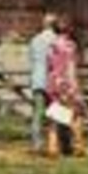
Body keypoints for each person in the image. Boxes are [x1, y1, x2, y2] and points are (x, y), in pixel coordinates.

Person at [45, 14, 85, 157]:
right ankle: (79, 146)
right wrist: (74, 86)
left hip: (53, 82)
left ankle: (52, 148)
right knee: (75, 115)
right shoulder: (70, 46)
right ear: (69, 30)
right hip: (67, 83)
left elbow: (49, 66)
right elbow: (71, 67)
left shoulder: (51, 46)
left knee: (54, 116)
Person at [26, 12, 58, 154]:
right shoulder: (56, 41)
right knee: (54, 113)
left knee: (37, 113)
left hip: (37, 79)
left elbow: (32, 60)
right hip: (52, 80)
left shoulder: (34, 40)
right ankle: (54, 144)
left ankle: (36, 144)